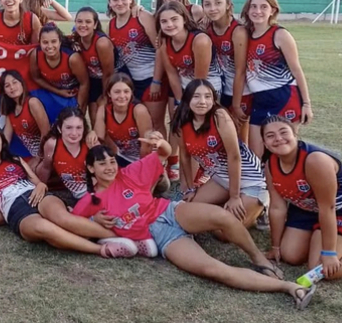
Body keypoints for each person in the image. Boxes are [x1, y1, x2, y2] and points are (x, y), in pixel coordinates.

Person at [72, 133, 317, 308]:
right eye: (102, 164)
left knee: (222, 216)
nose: (109, 167)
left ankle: (258, 258)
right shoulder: (90, 202)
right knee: (214, 270)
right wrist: (95, 220)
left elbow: (165, 153)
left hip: (170, 211)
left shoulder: (129, 173)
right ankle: (286, 286)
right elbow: (72, 226)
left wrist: (161, 142)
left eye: (112, 161)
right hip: (162, 237)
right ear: (91, 169)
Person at [0, 123, 136, 257]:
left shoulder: (15, 160)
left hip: (37, 195)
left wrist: (40, 185)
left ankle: (125, 237)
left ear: (2, 142)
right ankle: (101, 249)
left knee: (61, 218)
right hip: (15, 210)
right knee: (46, 230)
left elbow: (37, 182)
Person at [172, 79, 268, 229]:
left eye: (208, 96)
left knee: (224, 231)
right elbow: (184, 155)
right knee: (190, 209)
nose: (202, 101)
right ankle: (228, 205)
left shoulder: (219, 116)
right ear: (187, 98)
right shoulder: (181, 118)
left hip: (250, 180)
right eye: (196, 96)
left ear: (213, 99)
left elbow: (234, 156)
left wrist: (234, 196)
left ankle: (261, 208)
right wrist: (190, 188)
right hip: (221, 179)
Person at [262, 115, 342, 280]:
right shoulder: (270, 165)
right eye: (270, 136)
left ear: (295, 135)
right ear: (265, 144)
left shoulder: (315, 160)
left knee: (320, 268)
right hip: (308, 208)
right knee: (290, 255)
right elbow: (277, 207)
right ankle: (316, 237)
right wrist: (275, 246)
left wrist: (329, 252)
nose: (278, 139)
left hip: (335, 210)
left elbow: (328, 208)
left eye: (284, 132)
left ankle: (325, 242)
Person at [241, 0, 313, 158]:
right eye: (253, 6)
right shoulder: (245, 34)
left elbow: (297, 70)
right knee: (256, 156)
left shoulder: (280, 35)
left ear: (272, 10)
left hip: (284, 96)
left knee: (286, 152)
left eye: (263, 7)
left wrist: (307, 104)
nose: (257, 11)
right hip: (259, 99)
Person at [106, 0, 167, 136]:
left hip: (151, 79)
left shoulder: (142, 17)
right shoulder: (111, 25)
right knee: (140, 123)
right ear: (109, 3)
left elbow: (160, 49)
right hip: (132, 82)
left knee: (156, 123)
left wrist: (156, 81)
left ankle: (163, 160)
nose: (120, 3)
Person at [202, 0, 251, 142]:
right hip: (220, 90)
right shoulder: (206, 28)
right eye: (207, 4)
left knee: (240, 139)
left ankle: (246, 167)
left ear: (228, 4)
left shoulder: (238, 31)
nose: (213, 8)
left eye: (218, 3)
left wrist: (236, 105)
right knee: (220, 135)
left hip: (240, 92)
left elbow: (240, 70)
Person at [156, 1, 222, 98]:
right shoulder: (164, 42)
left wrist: (188, 104)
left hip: (207, 88)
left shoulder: (200, 40)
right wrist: (179, 101)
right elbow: (172, 74)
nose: (169, 24)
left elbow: (200, 80)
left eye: (174, 19)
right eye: (164, 21)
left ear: (184, 20)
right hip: (184, 85)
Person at [30, 23, 90, 116]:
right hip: (53, 92)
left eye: (54, 41)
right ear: (40, 43)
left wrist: (79, 108)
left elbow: (84, 83)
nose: (50, 46)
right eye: (45, 42)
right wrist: (58, 92)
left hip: (72, 95)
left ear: (60, 42)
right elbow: (36, 78)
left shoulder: (72, 59)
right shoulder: (36, 55)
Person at [94, 73, 153, 167]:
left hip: (144, 158)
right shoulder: (104, 110)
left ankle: (161, 176)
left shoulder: (139, 111)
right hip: (123, 157)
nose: (122, 96)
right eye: (117, 92)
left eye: (126, 91)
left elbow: (146, 145)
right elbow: (98, 140)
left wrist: (141, 169)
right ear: (109, 93)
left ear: (131, 93)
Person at [71, 6, 116, 123]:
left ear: (95, 25)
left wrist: (105, 96)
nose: (83, 25)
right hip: (93, 80)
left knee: (101, 118)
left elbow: (109, 73)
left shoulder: (101, 43)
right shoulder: (76, 39)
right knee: (91, 117)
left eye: (88, 22)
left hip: (110, 80)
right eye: (79, 21)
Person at [37, 107, 91, 200]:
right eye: (69, 127)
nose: (74, 133)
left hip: (92, 194)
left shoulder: (90, 144)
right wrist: (40, 189)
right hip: (70, 194)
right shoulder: (52, 144)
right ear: (59, 128)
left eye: (78, 127)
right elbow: (46, 168)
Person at [0, 70, 50, 160]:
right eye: (7, 86)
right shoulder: (11, 113)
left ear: (22, 83)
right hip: (34, 158)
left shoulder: (32, 102)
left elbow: (46, 133)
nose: (12, 87)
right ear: (4, 92)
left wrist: (38, 158)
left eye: (15, 82)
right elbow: (5, 140)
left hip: (47, 154)